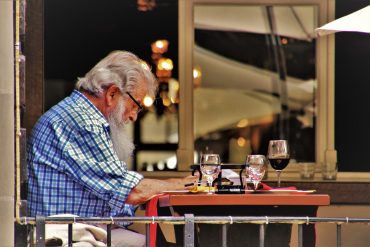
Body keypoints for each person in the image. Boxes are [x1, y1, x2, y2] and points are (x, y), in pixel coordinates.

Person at [27, 50, 198, 246]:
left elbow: (113, 194)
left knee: (161, 241)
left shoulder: (80, 115)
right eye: (136, 105)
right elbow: (130, 191)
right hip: (67, 237)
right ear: (112, 94)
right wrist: (187, 184)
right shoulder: (83, 122)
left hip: (79, 230)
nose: (134, 116)